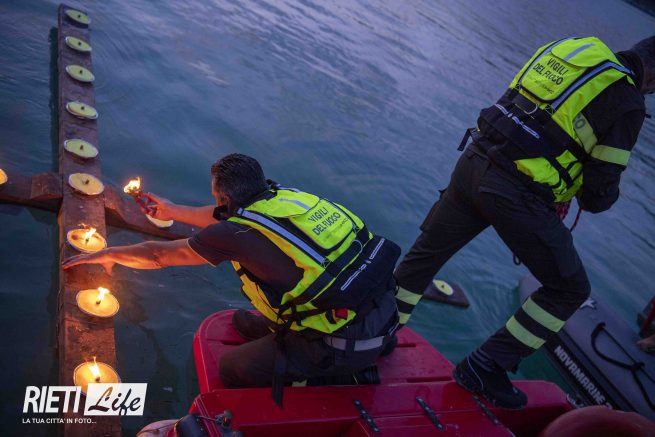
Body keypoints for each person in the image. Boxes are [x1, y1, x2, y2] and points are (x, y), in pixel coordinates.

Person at [393, 36, 654, 409]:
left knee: (424, 256)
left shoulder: (573, 48)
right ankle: (485, 366)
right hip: (517, 194)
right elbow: (597, 196)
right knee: (569, 289)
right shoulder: (628, 100)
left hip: (474, 161)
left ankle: (377, 332)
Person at [63, 153, 400, 405]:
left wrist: (109, 254)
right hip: (378, 310)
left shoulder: (236, 233)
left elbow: (157, 255)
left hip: (341, 343)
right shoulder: (286, 198)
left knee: (233, 368)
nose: (216, 203)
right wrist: (172, 210)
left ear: (224, 197)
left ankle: (330, 379)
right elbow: (229, 219)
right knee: (241, 322)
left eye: (216, 196)